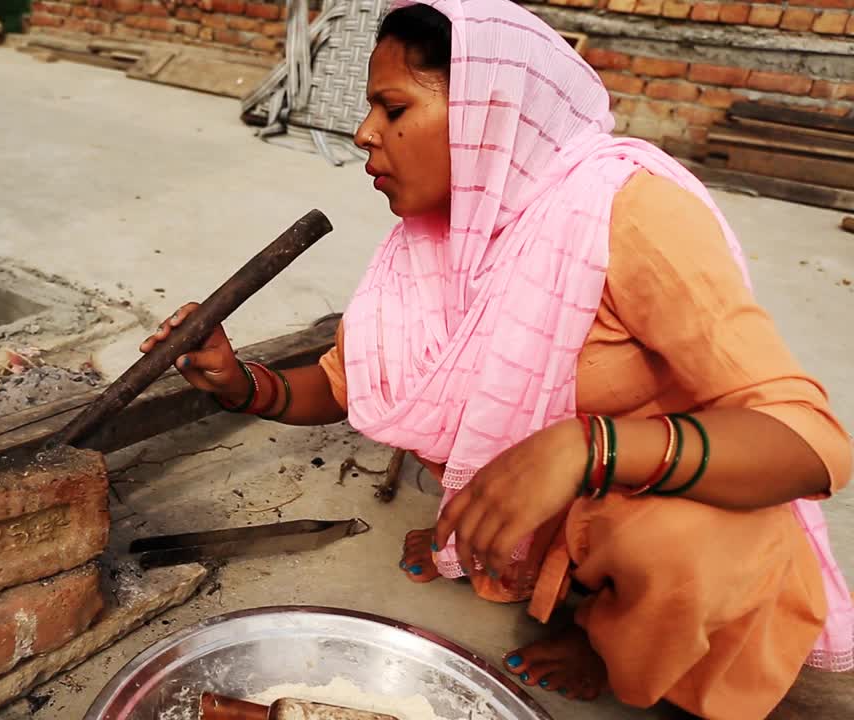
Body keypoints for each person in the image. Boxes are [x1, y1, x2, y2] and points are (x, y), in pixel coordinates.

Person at [140, 0, 853, 716]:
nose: (364, 134)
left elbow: (811, 444)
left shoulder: (629, 211)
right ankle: (527, 559)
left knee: (683, 552)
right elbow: (345, 383)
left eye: (393, 110)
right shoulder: (435, 235)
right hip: (571, 506)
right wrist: (241, 385)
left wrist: (587, 446)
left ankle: (605, 634)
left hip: (661, 503)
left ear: (489, 112)